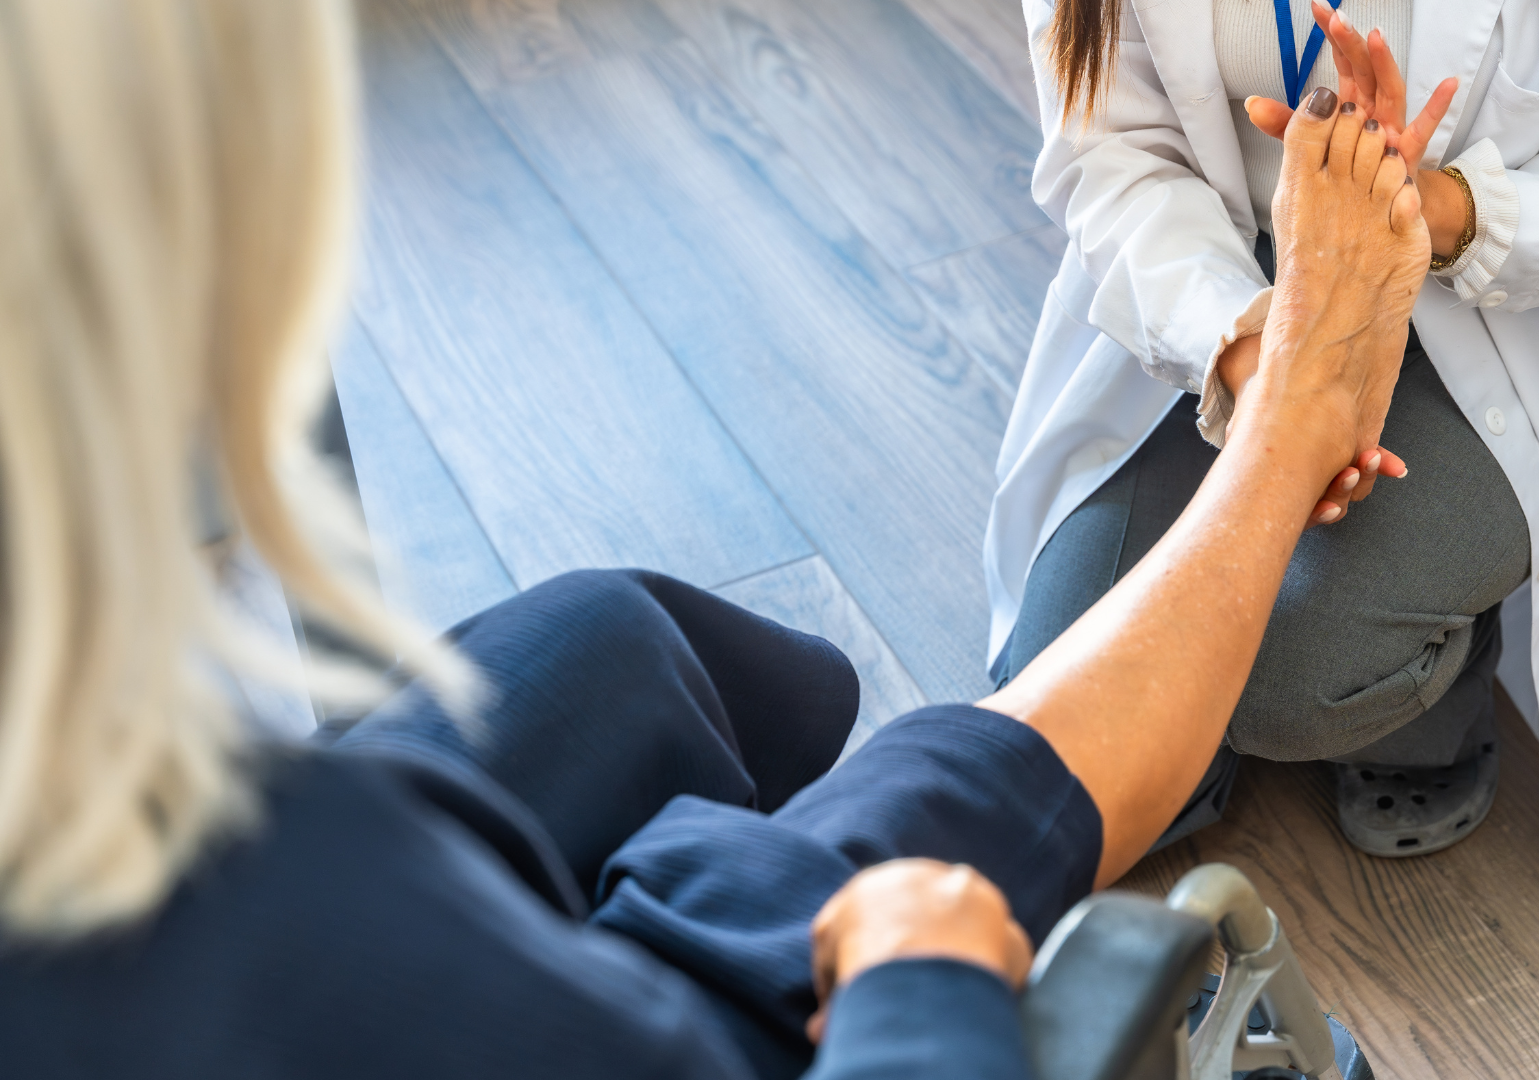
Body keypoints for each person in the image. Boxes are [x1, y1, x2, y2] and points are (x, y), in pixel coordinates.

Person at [0, 2, 1428, 1076]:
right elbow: (1103, 147)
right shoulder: (267, 896)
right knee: (906, 835)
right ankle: (1286, 430)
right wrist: (919, 988)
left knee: (606, 643)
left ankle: (740, 857)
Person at [986, 0, 1539, 870]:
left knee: (1289, 680)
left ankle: (1441, 687)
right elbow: (1112, 155)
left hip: (1484, 310)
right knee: (1059, 689)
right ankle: (1231, 713)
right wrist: (1255, 362)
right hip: (1228, 267)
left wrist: (1433, 209)